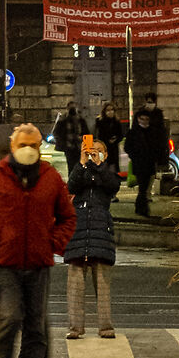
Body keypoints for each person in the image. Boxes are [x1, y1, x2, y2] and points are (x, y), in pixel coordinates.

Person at [0, 120, 76, 358]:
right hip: (4, 265)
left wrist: (53, 242)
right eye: (23, 145)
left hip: (39, 265)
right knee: (10, 318)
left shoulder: (51, 178)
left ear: (40, 147)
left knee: (35, 328)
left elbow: (68, 217)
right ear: (12, 147)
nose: (28, 150)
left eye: (33, 145)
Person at [64, 134, 119, 338]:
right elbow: (71, 186)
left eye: (98, 150)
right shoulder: (81, 170)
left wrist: (98, 165)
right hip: (79, 230)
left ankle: (106, 327)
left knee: (103, 283)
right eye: (90, 148)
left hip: (100, 231)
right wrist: (82, 162)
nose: (93, 151)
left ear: (105, 154)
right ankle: (75, 328)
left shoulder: (107, 171)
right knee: (75, 283)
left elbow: (112, 186)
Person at [124, 98, 170, 217]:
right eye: (142, 119)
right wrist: (135, 155)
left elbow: (158, 146)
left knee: (145, 187)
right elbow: (128, 147)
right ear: (138, 119)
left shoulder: (152, 132)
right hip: (139, 163)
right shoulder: (133, 132)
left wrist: (157, 158)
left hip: (149, 163)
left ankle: (140, 207)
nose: (144, 121)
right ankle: (142, 208)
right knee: (143, 187)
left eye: (146, 119)